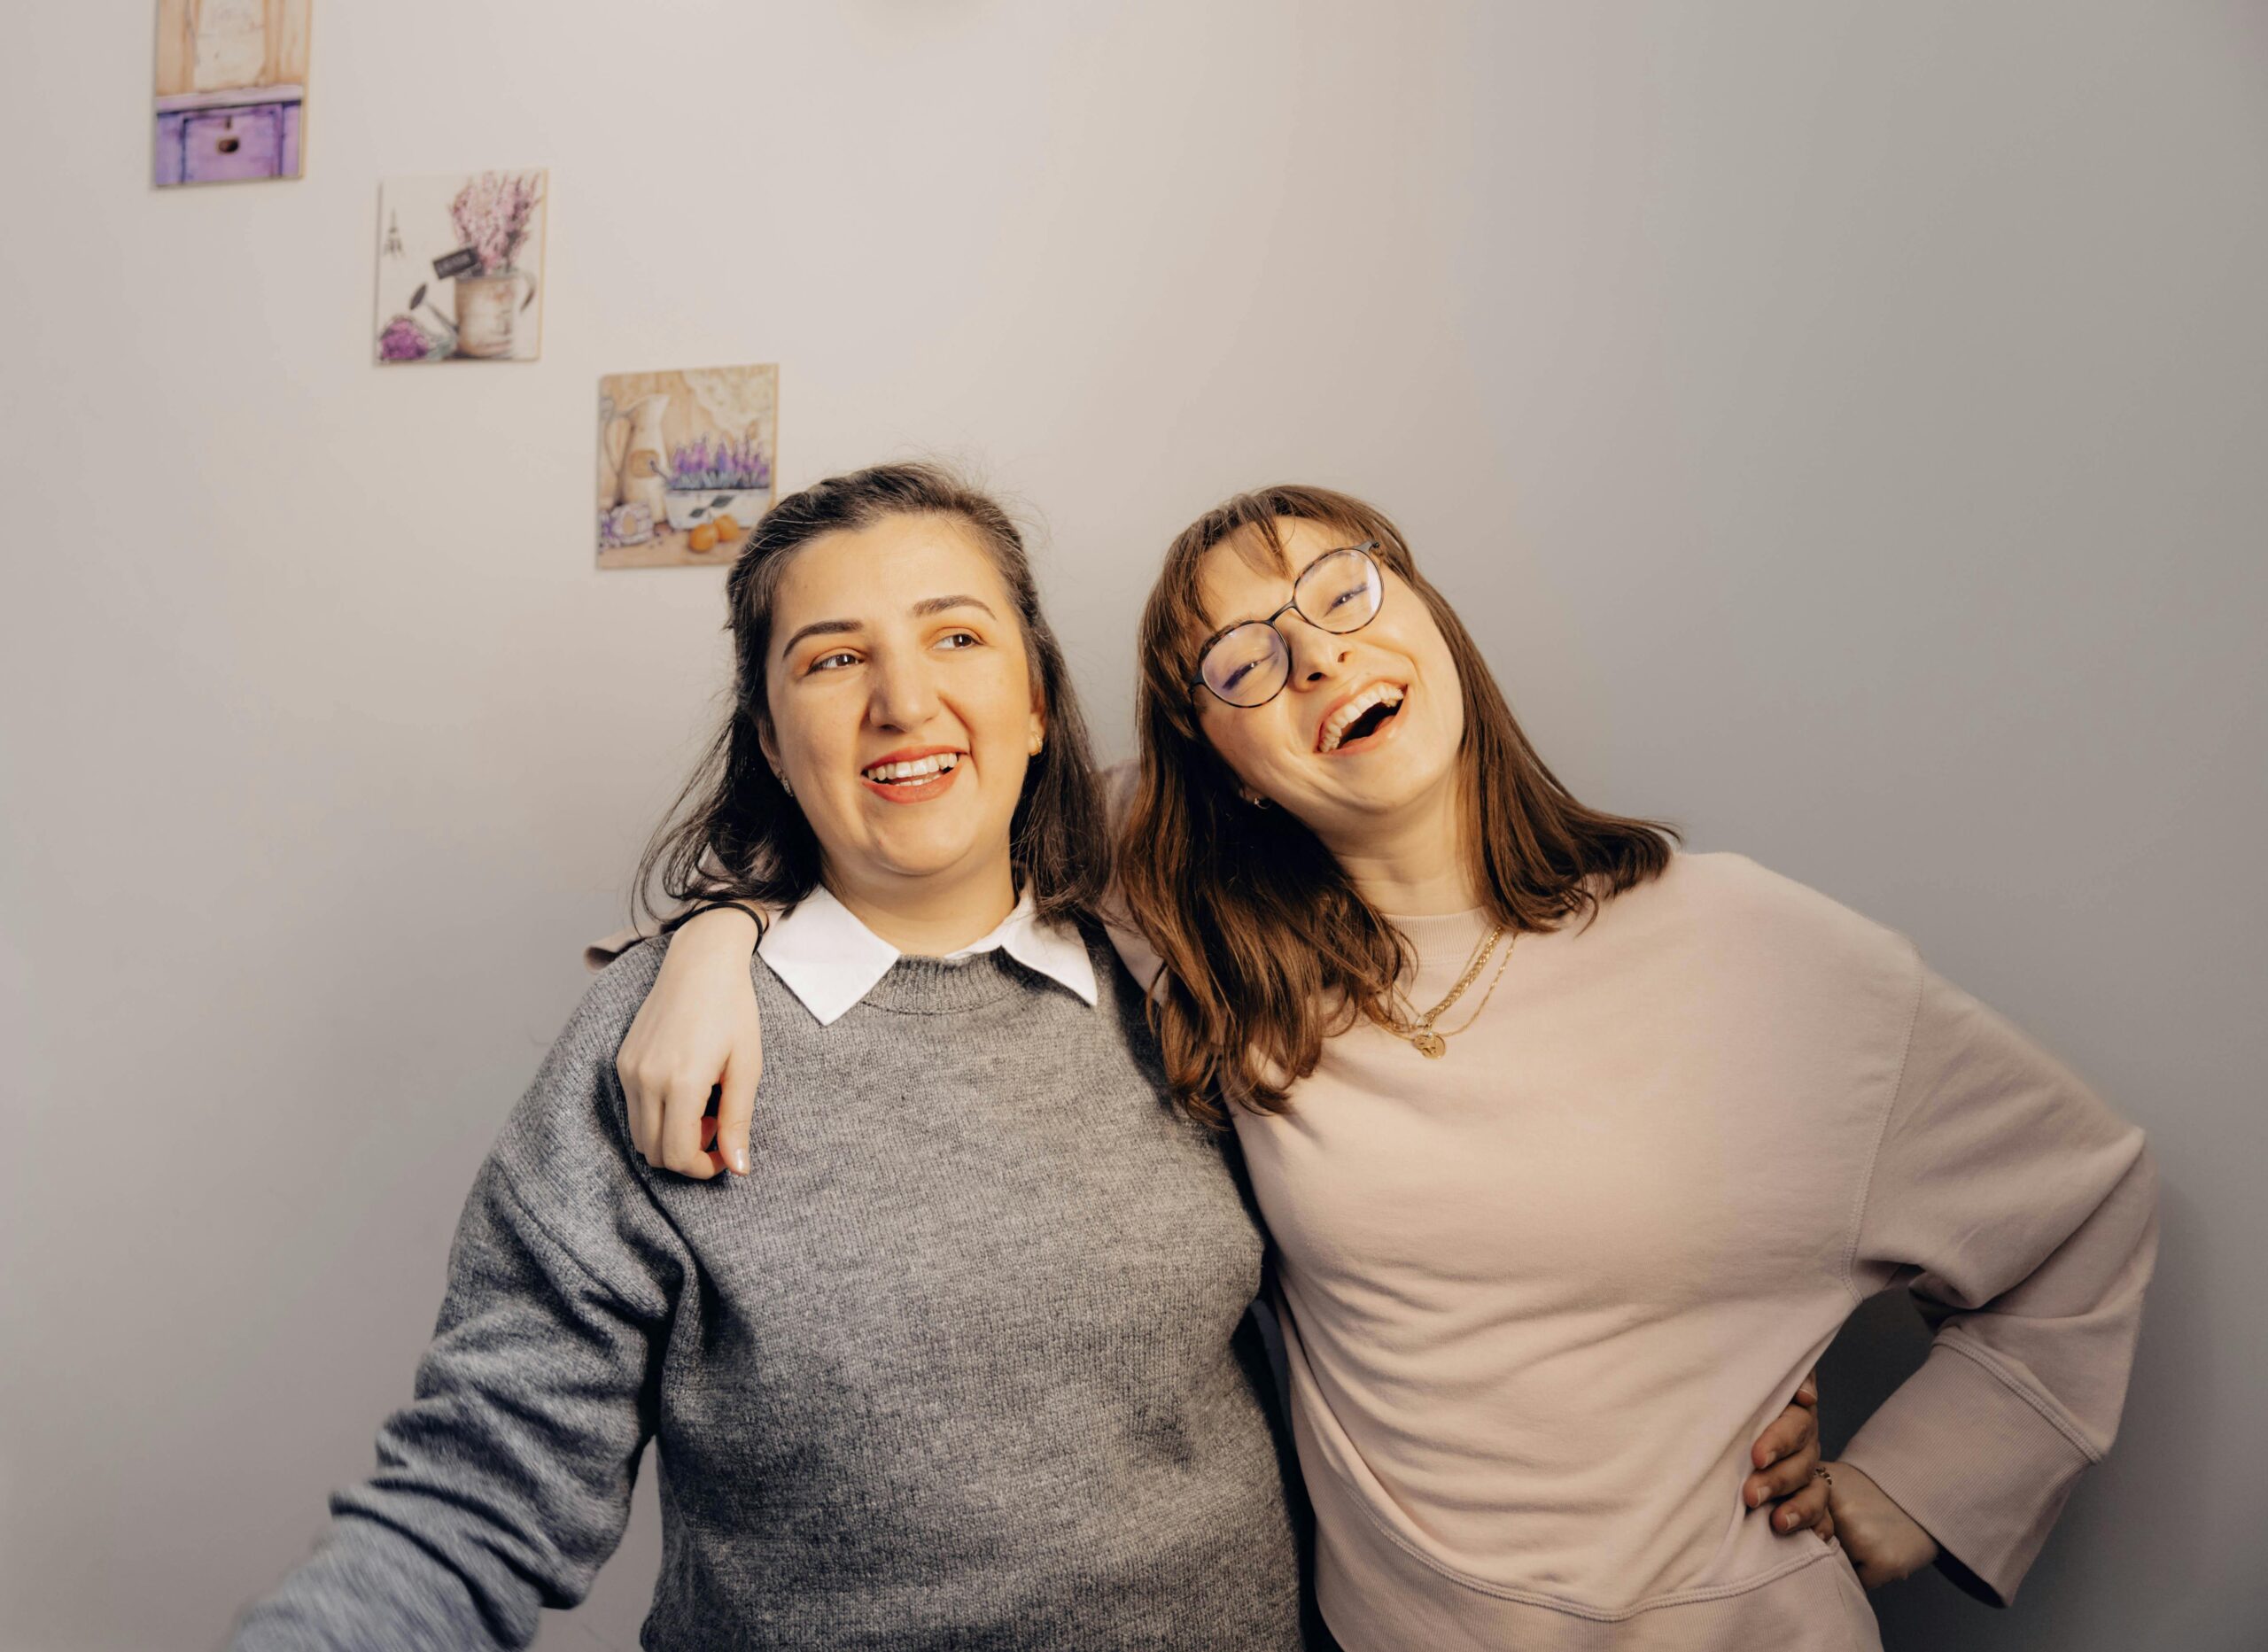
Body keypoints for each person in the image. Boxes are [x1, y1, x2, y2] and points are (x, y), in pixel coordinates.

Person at [623, 483, 2157, 1650]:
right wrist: (716, 940)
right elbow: (917, 808)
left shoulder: (1764, 950)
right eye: (1242, 659)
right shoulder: (1197, 938)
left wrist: (1915, 1487)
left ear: (1429, 619)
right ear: (1218, 755)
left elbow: (2082, 1202)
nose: (1314, 655)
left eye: (1343, 591)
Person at [232, 465, 1328, 1650]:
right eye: (832, 657)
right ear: (771, 734)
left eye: (955, 634)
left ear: (1036, 702)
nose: (903, 701)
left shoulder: (1184, 968)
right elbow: (474, 1497)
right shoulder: (661, 1047)